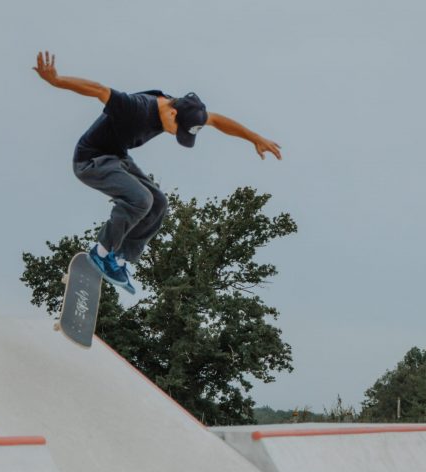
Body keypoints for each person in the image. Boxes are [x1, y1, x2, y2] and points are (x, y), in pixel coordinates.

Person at [33, 50, 282, 294]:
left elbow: (216, 120)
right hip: (90, 160)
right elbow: (99, 90)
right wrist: (56, 80)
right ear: (172, 113)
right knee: (141, 199)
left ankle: (119, 260)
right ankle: (100, 253)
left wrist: (254, 137)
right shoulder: (137, 107)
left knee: (158, 203)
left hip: (118, 157)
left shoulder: (183, 110)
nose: (176, 135)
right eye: (178, 130)